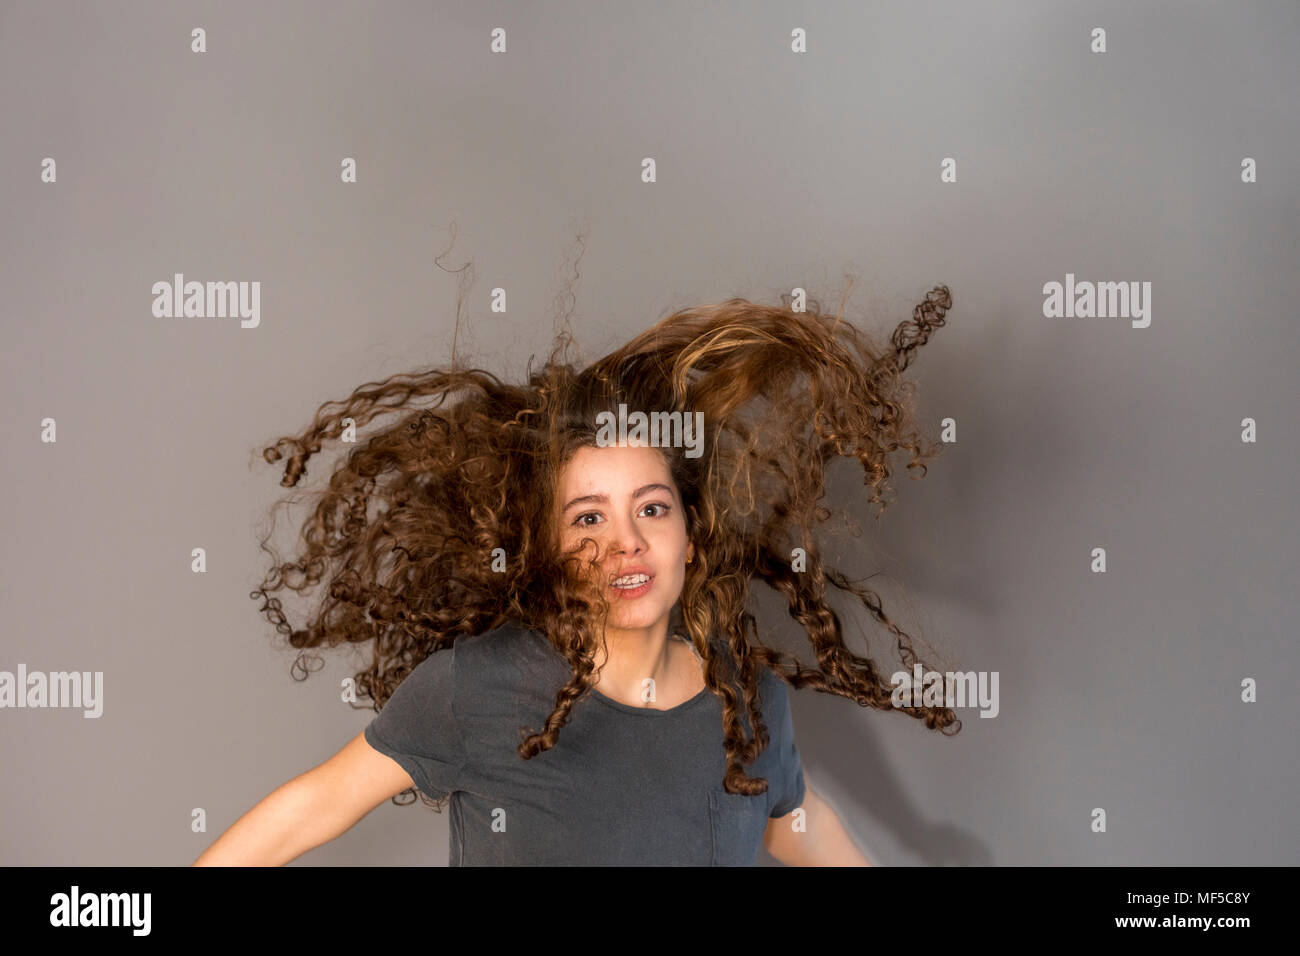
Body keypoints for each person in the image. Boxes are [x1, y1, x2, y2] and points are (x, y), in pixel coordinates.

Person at [192, 278, 959, 866]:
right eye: (588, 518)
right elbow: (311, 805)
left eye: (652, 510)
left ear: (691, 537)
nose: (625, 543)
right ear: (550, 549)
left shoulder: (749, 706)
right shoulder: (474, 689)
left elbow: (802, 822)